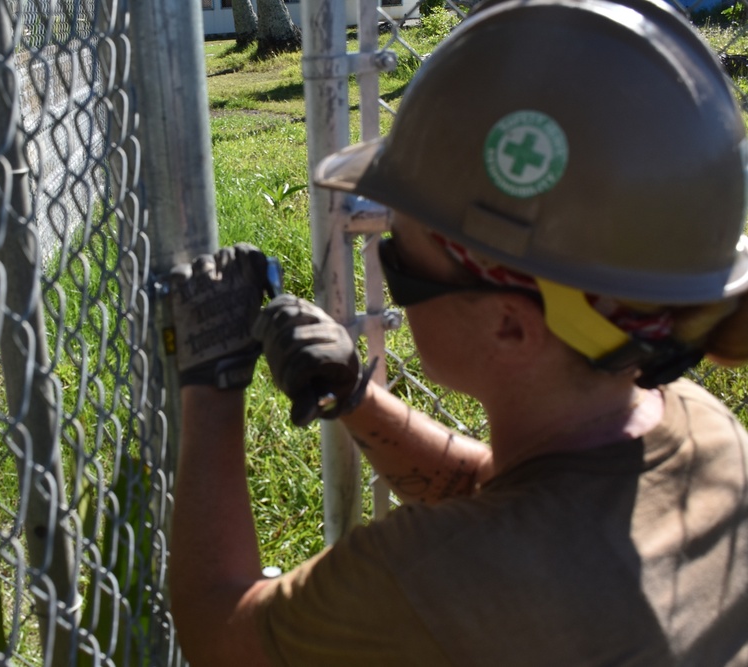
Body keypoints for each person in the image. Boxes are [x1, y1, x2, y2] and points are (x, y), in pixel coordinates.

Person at [166, 0, 748, 664]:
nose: (385, 262)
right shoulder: (704, 432)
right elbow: (503, 490)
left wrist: (212, 381)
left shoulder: (432, 579)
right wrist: (356, 395)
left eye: (401, 259)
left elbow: (220, 632)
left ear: (509, 323)